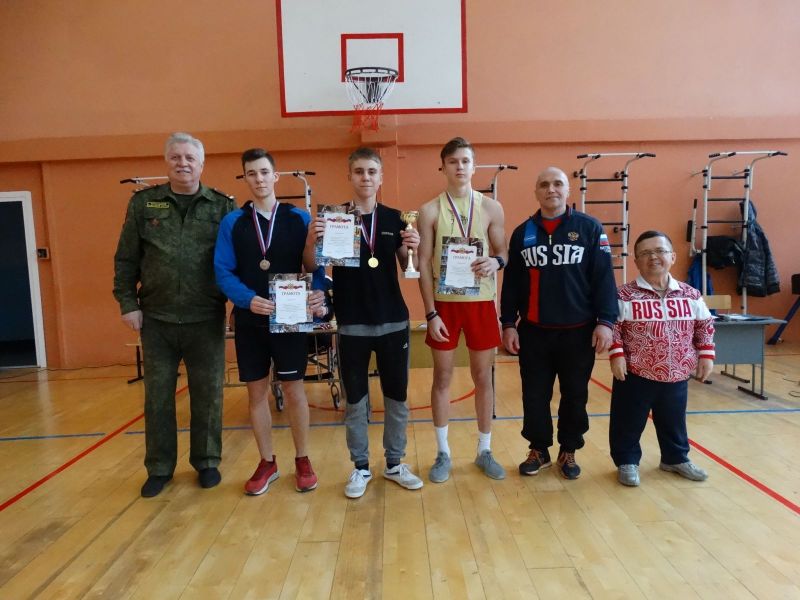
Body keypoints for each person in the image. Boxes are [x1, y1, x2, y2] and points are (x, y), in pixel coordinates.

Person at [113, 132, 234, 498]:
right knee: (158, 398)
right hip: (157, 319)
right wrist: (128, 304)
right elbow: (126, 259)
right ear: (167, 162)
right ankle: (160, 467)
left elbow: (234, 261)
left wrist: (238, 305)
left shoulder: (222, 206)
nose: (183, 163)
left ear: (202, 164)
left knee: (208, 394)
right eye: (176, 157)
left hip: (205, 316)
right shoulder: (143, 204)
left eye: (190, 158)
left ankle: (207, 461)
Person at [304, 147, 424, 498]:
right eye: (359, 171)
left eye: (372, 171)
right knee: (355, 400)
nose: (366, 177)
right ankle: (360, 466)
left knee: (396, 396)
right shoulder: (334, 218)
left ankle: (394, 462)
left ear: (381, 177)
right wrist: (313, 239)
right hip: (352, 323)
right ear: (350, 176)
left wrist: (413, 246)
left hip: (393, 322)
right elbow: (312, 265)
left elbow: (409, 267)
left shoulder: (396, 219)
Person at [214, 148, 326, 495]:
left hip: (291, 318)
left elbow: (316, 265)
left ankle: (303, 459)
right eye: (252, 173)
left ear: (275, 176)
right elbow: (222, 270)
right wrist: (247, 299)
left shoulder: (299, 218)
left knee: (294, 390)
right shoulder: (233, 222)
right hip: (251, 319)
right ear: (245, 178)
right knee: (257, 393)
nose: (259, 179)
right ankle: (267, 461)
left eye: (264, 172)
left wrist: (319, 292)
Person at [500, 166, 617, 480]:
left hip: (578, 332)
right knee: (534, 396)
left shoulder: (590, 228)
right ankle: (538, 449)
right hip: (534, 332)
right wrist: (508, 323)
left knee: (575, 395)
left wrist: (606, 321)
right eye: (544, 184)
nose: (551, 189)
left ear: (568, 190)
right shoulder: (523, 232)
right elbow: (511, 284)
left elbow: (604, 278)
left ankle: (569, 450)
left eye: (557, 184)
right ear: (536, 192)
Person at [417, 137, 508, 483]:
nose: (460, 167)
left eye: (465, 161)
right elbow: (422, 264)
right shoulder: (429, 211)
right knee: (442, 378)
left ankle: (484, 450)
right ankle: (443, 453)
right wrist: (430, 313)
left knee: (483, 378)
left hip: (481, 304)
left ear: (474, 166)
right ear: (443, 167)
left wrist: (496, 262)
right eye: (453, 161)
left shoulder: (492, 208)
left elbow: (503, 252)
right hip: (445, 306)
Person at [608, 230, 714, 486]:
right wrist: (616, 354)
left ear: (672, 257)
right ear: (636, 261)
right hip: (635, 372)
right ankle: (627, 461)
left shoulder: (690, 294)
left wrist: (706, 354)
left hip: (677, 372)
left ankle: (675, 458)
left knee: (674, 420)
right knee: (628, 421)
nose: (653, 257)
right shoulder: (624, 295)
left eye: (659, 251)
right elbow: (613, 327)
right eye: (645, 253)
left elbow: (704, 325)